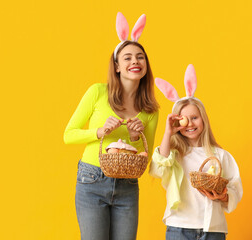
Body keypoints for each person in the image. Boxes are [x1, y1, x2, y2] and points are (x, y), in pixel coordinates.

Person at [64, 12, 159, 240]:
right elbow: (68, 135)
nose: (135, 61)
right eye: (127, 58)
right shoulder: (97, 92)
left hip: (127, 186)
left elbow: (146, 161)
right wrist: (100, 132)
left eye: (140, 57)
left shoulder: (150, 109)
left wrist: (136, 139)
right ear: (116, 66)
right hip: (91, 181)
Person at [149, 64, 243, 240]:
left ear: (203, 120)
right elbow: (157, 168)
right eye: (185, 120)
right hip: (179, 227)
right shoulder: (174, 155)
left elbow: (235, 188)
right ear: (177, 123)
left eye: (194, 118)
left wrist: (224, 196)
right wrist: (168, 133)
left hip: (213, 228)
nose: (190, 124)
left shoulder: (220, 156)